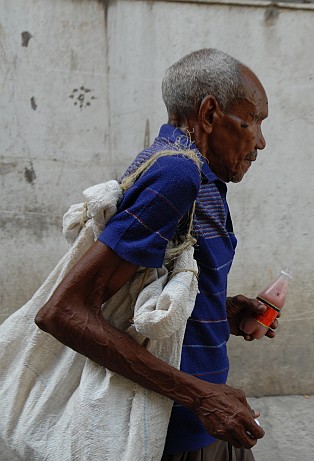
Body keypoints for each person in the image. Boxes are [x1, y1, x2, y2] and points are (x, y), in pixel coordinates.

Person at [35, 48, 275, 460]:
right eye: (251, 121)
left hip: (207, 426)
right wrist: (202, 398)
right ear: (210, 114)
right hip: (177, 433)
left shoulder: (201, 175)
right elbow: (63, 312)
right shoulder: (177, 173)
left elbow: (150, 285)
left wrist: (220, 311)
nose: (261, 141)